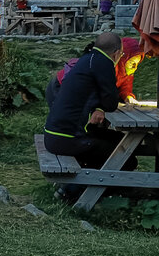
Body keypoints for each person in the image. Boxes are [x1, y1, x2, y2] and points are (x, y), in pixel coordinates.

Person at [43, 32, 128, 170]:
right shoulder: (104, 63)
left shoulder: (86, 59)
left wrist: (99, 107)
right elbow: (111, 102)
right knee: (124, 153)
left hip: (53, 135)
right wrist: (102, 107)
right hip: (68, 139)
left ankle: (76, 189)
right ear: (117, 53)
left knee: (118, 140)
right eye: (122, 55)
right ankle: (74, 190)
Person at [115, 37, 144, 104]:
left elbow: (125, 89)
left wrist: (128, 97)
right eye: (132, 63)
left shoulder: (127, 73)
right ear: (123, 59)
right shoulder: (111, 67)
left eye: (137, 63)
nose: (135, 67)